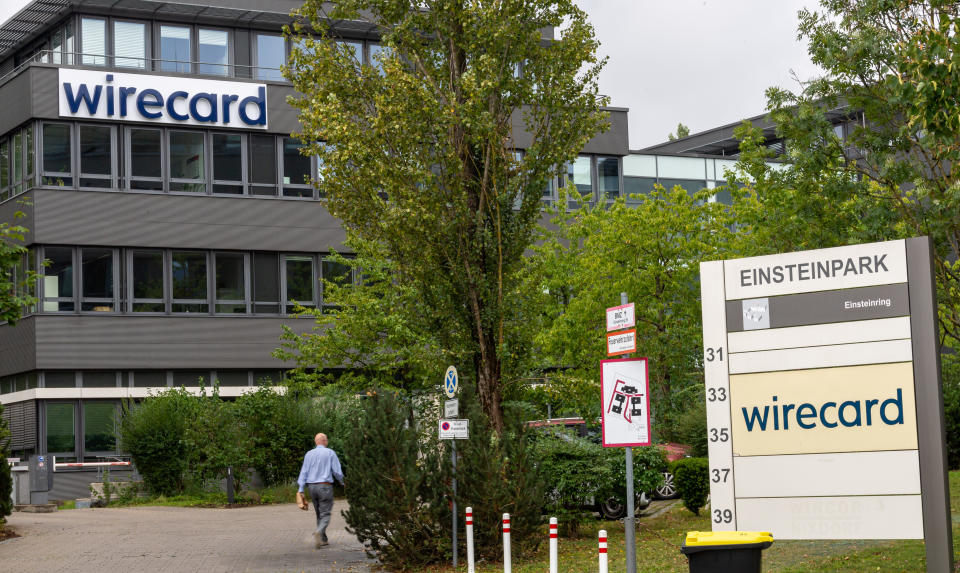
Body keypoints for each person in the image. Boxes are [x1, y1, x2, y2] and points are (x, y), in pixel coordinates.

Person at [297, 432, 345, 548]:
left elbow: (304, 472)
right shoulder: (330, 453)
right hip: (325, 486)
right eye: (326, 440)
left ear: (315, 442)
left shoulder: (309, 454)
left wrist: (301, 488)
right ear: (324, 441)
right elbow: (337, 471)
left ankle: (323, 539)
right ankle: (319, 531)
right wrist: (342, 482)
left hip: (312, 487)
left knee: (319, 513)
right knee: (326, 513)